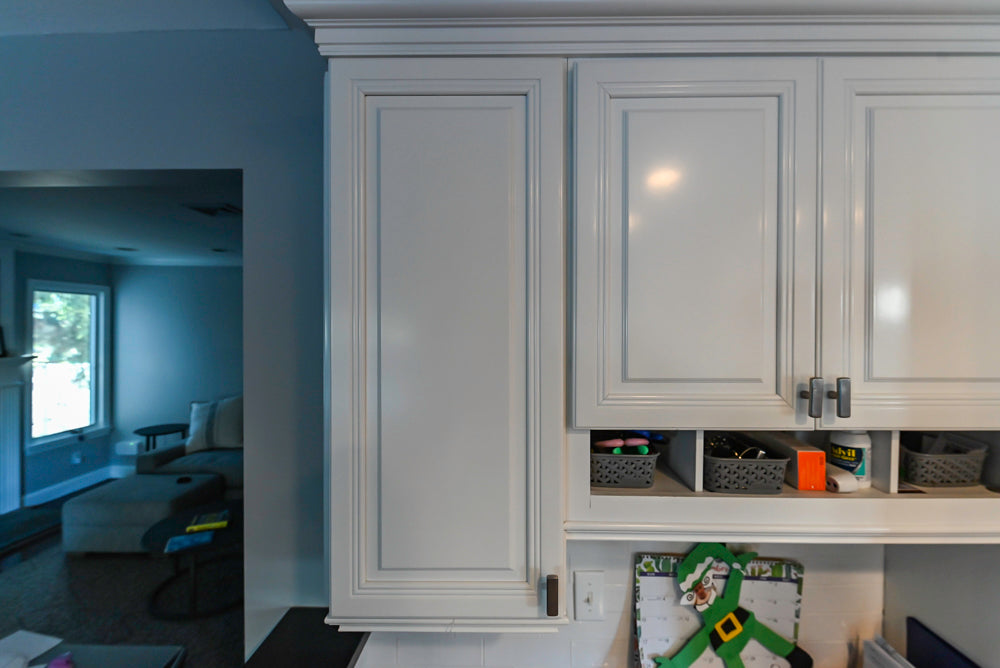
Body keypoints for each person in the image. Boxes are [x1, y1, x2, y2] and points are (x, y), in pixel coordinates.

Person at [654, 543, 812, 668]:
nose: (701, 592)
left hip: (744, 624)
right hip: (725, 644)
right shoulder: (709, 624)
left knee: (763, 634)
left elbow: (733, 587)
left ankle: (795, 655)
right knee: (733, 660)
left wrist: (739, 567)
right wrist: (674, 664)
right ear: (690, 598)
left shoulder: (726, 602)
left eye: (701, 587)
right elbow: (694, 649)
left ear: (709, 584)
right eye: (695, 591)